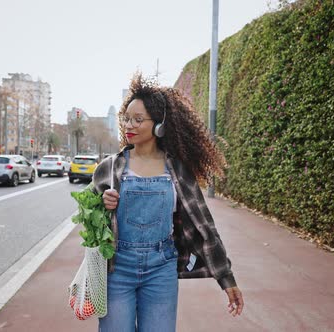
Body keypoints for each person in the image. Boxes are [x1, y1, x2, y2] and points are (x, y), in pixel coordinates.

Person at [91, 74, 244, 332]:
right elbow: (89, 219)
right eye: (127, 118)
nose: (129, 124)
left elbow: (204, 226)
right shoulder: (110, 167)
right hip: (116, 269)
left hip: (161, 269)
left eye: (139, 119)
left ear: (159, 125)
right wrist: (101, 206)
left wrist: (226, 278)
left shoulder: (177, 170)